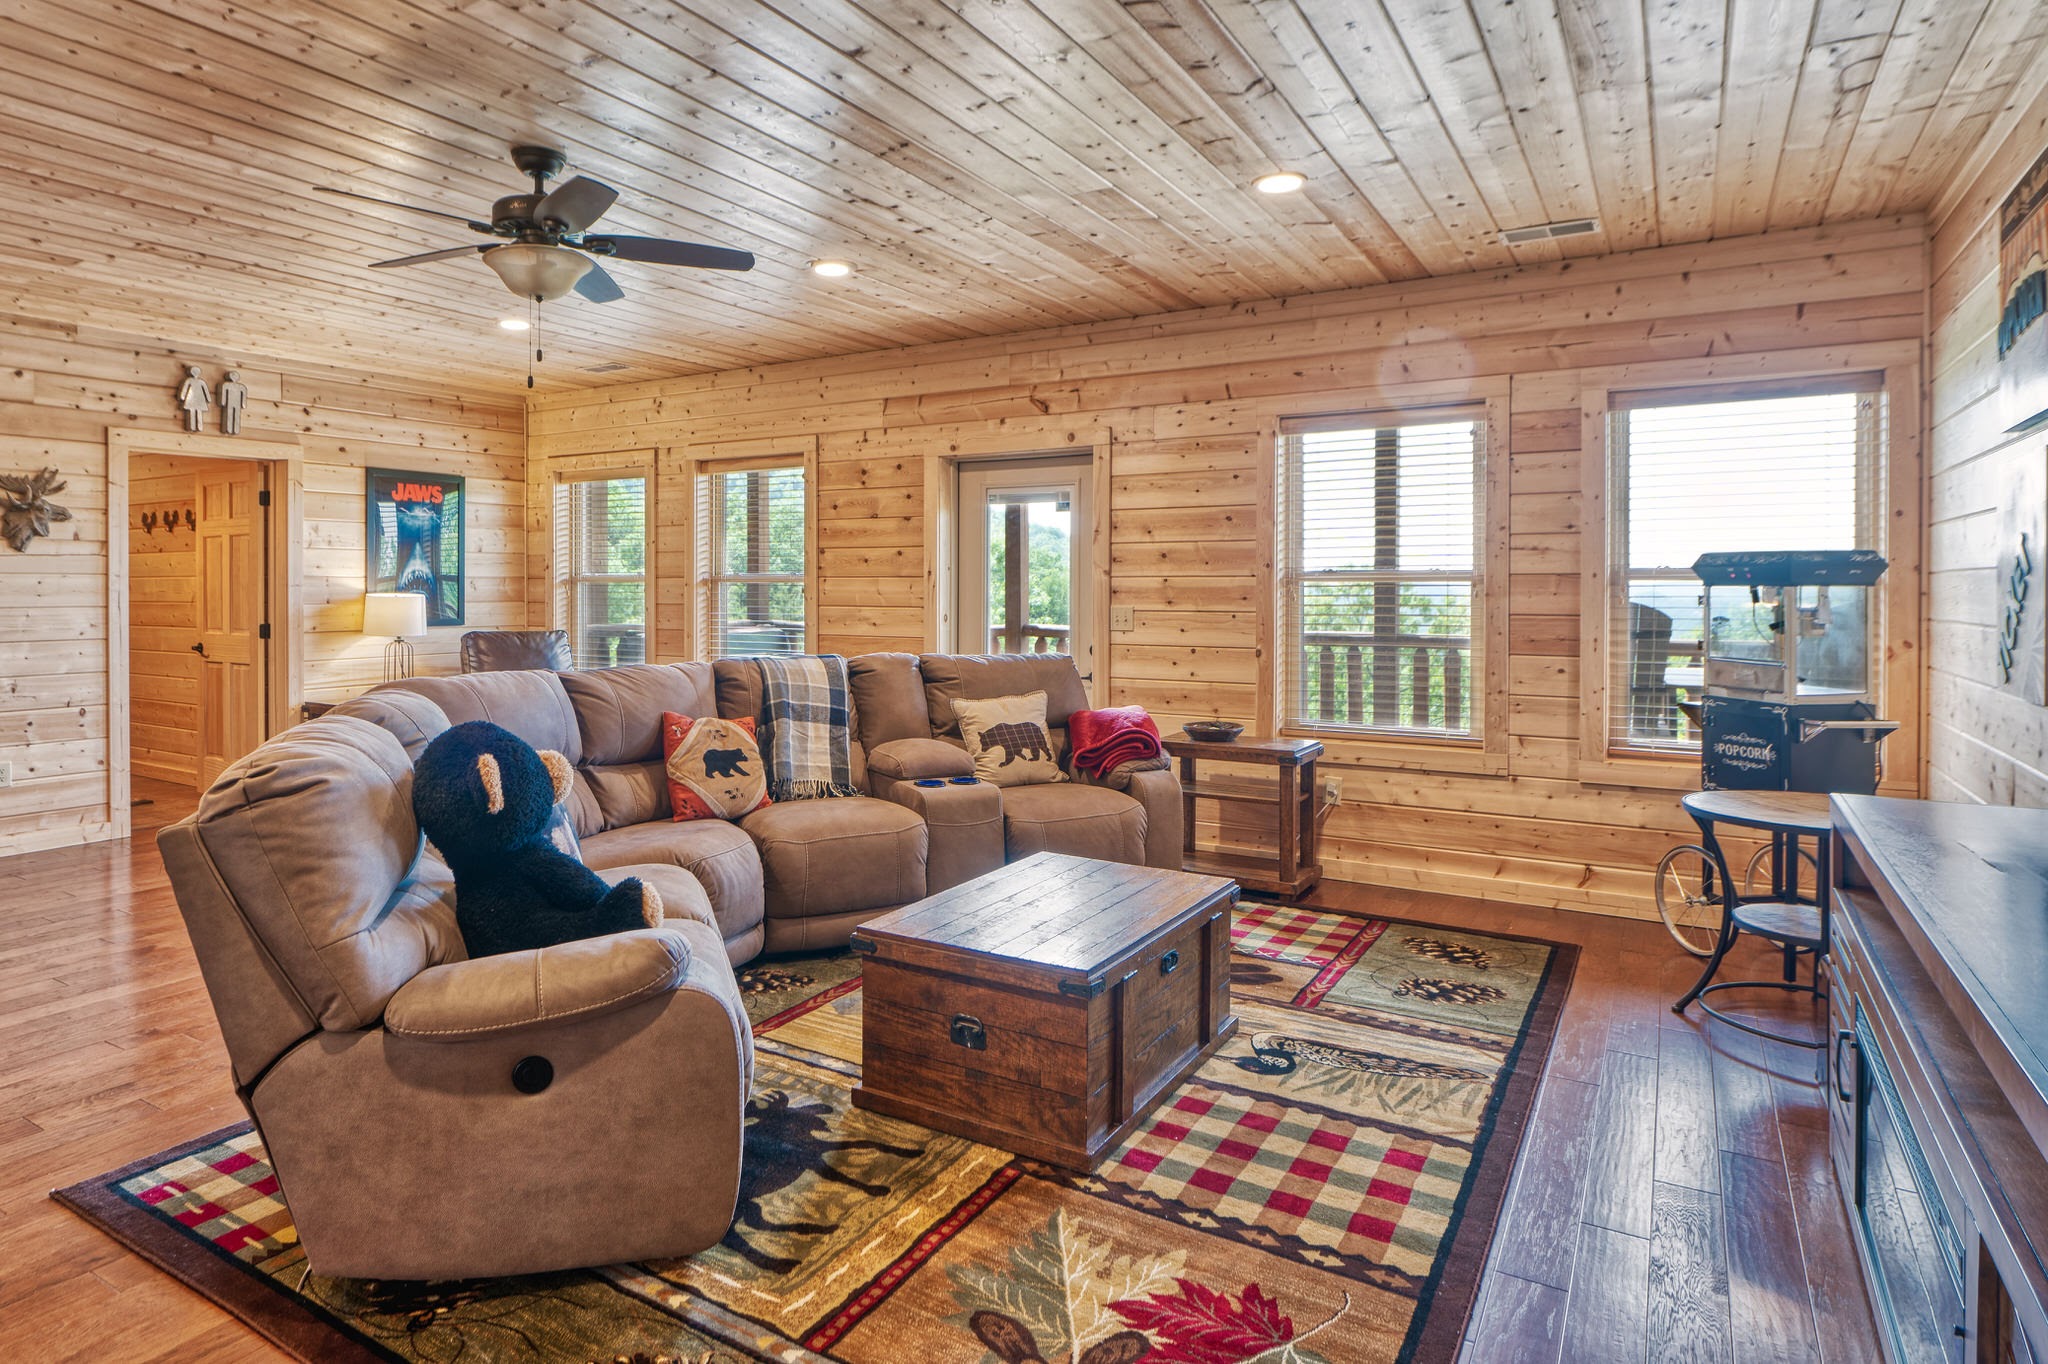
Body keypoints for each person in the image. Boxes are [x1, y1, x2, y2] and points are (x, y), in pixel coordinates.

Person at [177, 365, 211, 432]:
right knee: (192, 412)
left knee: (198, 412)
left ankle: (199, 426)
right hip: (191, 399)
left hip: (199, 399)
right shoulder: (189, 380)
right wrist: (182, 397)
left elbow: (206, 390)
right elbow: (185, 388)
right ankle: (192, 426)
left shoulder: (201, 382)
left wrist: (208, 398)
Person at [218, 370, 248, 435]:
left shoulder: (241, 387)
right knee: (229, 414)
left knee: (236, 415)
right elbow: (223, 393)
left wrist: (243, 404)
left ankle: (235, 429)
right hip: (229, 402)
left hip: (237, 403)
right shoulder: (226, 385)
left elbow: (243, 394)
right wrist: (223, 402)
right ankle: (228, 429)